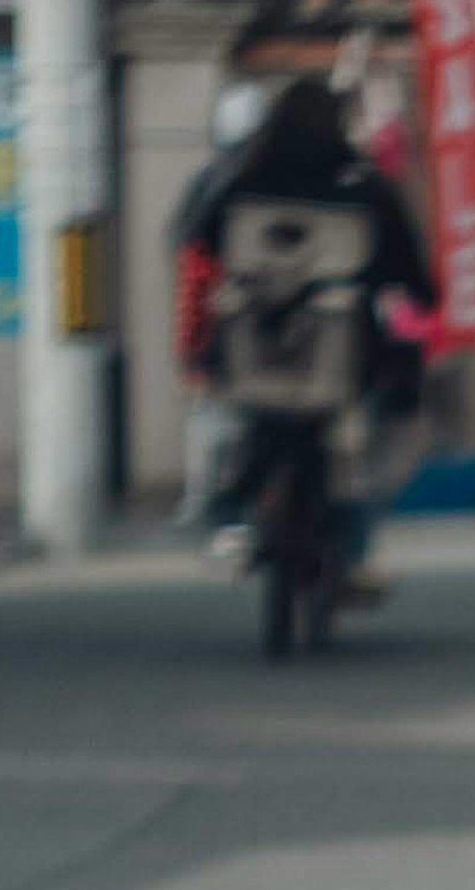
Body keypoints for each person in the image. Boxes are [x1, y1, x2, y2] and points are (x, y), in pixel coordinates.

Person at [174, 71, 431, 609]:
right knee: (376, 440)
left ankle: (227, 518)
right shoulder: (363, 186)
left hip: (251, 348)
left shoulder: (239, 179)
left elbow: (195, 241)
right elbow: (411, 272)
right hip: (344, 358)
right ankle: (355, 550)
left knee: (220, 417)